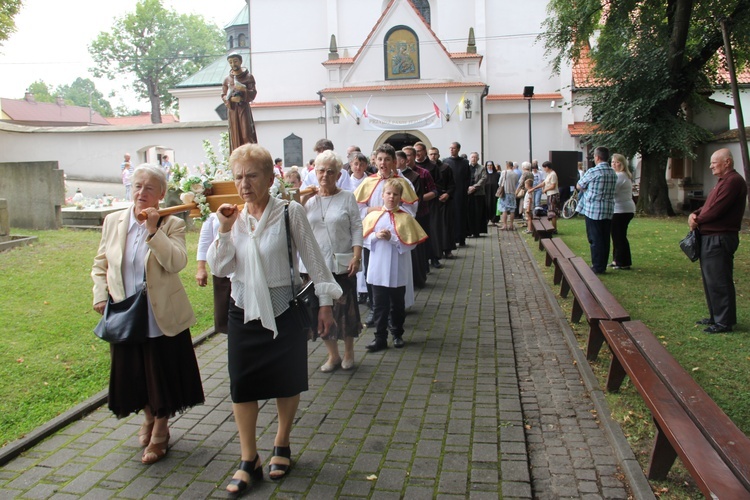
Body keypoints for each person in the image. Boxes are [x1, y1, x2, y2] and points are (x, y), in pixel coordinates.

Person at [207, 143, 342, 492]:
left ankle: (282, 443)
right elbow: (220, 268)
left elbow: (314, 261)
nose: (244, 183)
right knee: (242, 386)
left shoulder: (289, 212)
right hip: (243, 310)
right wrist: (223, 230)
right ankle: (248, 458)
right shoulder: (228, 217)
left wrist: (325, 302)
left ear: (270, 177)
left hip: (283, 308)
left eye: (252, 175)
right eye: (238, 176)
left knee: (286, 379)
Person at [91, 164, 204, 465]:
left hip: (160, 314)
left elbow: (177, 262)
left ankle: (162, 429)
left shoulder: (171, 224)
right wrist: (100, 295)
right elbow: (101, 264)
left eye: (149, 188)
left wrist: (153, 231)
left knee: (161, 372)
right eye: (137, 186)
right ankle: (148, 416)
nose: (141, 192)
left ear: (162, 195)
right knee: (135, 372)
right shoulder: (114, 221)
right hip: (125, 313)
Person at [302, 151, 363, 371]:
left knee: (344, 310)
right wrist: (300, 200)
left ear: (338, 174)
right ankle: (333, 355)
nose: (325, 175)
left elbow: (356, 226)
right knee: (318, 308)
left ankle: (348, 352)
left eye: (330, 171)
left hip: (341, 263)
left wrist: (357, 256)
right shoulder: (308, 200)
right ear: (314, 172)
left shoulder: (347, 197)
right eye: (320, 170)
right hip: (314, 265)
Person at [362, 179, 427, 352]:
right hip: (378, 267)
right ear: (382, 195)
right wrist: (375, 236)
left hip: (398, 267)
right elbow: (364, 239)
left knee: (397, 304)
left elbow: (411, 243)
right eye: (388, 193)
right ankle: (380, 337)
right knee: (379, 304)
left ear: (400, 197)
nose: (391, 197)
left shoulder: (405, 218)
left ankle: (397, 333)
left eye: (395, 194)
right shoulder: (373, 217)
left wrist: (392, 238)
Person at [689, 148, 747, 334]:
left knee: (719, 280)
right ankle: (716, 316)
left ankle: (724, 322)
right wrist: (695, 213)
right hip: (711, 237)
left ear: (727, 162)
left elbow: (716, 211)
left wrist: (697, 219)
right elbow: (708, 206)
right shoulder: (723, 182)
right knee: (711, 280)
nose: (711, 166)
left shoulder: (733, 182)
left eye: (714, 162)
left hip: (720, 238)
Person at [576, 146, 617, 274]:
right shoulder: (612, 172)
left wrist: (586, 190)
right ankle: (602, 264)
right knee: (605, 238)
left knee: (595, 238)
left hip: (593, 210)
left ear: (597, 157)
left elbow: (579, 185)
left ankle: (597, 266)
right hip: (608, 209)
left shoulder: (593, 171)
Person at [196, 213, 231, 334]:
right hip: (222, 270)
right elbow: (205, 240)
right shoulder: (211, 214)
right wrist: (201, 268)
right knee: (224, 314)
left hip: (247, 269)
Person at [222, 53, 258, 153]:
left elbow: (253, 93)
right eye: (230, 62)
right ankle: (237, 157)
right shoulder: (227, 79)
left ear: (240, 62)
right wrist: (231, 99)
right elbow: (223, 95)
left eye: (235, 61)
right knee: (235, 135)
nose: (233, 64)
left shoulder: (248, 77)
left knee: (246, 133)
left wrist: (244, 90)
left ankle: (250, 156)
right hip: (233, 110)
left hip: (243, 109)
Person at [609, 154, 636, 270]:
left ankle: (623, 261)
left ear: (623, 163)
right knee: (617, 235)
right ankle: (617, 260)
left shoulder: (620, 176)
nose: (614, 164)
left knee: (619, 236)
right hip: (621, 209)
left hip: (622, 210)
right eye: (613, 162)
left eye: (617, 162)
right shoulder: (621, 175)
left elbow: (612, 191)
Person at [442, 142, 471, 247]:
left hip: (461, 192)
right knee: (451, 216)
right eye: (450, 148)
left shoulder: (464, 162)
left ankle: (461, 237)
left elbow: (468, 177)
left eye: (454, 148)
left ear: (458, 149)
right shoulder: (445, 162)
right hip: (450, 193)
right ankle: (452, 238)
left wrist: (465, 188)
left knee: (461, 215)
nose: (451, 150)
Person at [466, 152, 488, 237]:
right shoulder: (467, 168)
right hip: (468, 193)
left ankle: (476, 231)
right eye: (472, 157)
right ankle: (468, 231)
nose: (473, 159)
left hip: (478, 194)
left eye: (475, 157)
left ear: (478, 159)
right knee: (468, 213)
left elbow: (483, 178)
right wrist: (467, 188)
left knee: (477, 213)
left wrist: (474, 187)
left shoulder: (482, 168)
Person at [496, 161, 519, 230]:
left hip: (505, 192)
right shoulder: (515, 174)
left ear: (507, 166)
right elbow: (516, 183)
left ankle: (505, 225)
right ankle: (511, 225)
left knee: (504, 210)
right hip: (512, 192)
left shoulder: (504, 172)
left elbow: (499, 182)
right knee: (512, 210)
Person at [538, 161, 559, 233]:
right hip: (549, 194)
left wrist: (545, 189)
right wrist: (535, 188)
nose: (544, 169)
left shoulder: (553, 174)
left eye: (544, 168)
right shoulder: (548, 174)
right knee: (550, 211)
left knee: (552, 212)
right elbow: (544, 183)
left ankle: (554, 229)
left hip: (553, 194)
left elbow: (553, 186)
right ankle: (552, 228)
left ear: (547, 167)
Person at [483, 161, 500, 226]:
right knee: (486, 206)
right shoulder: (484, 174)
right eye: (488, 165)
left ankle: (494, 220)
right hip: (486, 194)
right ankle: (486, 219)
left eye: (490, 165)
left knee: (494, 206)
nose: (489, 167)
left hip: (494, 193)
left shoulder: (497, 174)